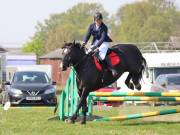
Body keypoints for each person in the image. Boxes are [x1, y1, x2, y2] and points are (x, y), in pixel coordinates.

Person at [82, 12, 117, 76]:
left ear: (101, 19)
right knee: (88, 53)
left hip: (104, 42)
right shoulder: (91, 26)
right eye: (97, 20)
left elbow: (102, 38)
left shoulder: (104, 27)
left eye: (100, 20)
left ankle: (112, 69)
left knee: (102, 56)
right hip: (95, 41)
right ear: (94, 20)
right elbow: (88, 34)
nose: (99, 21)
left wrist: (96, 46)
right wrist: (84, 42)